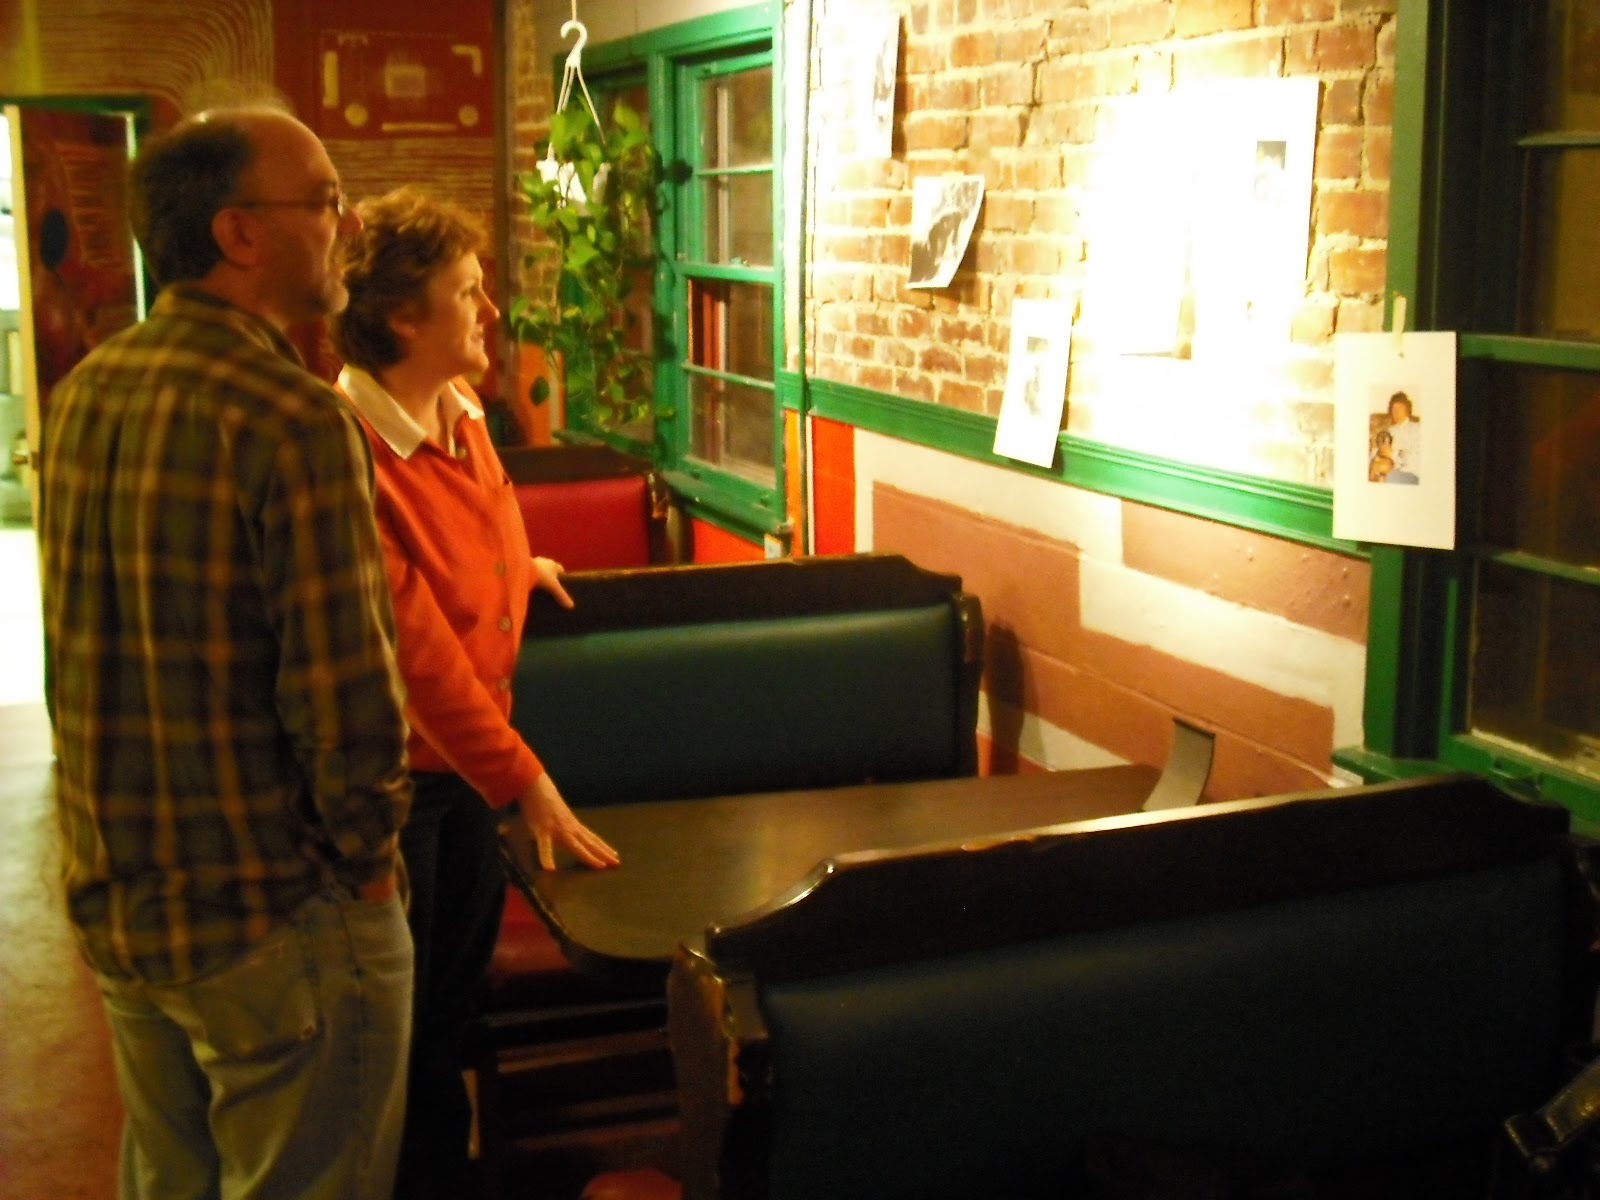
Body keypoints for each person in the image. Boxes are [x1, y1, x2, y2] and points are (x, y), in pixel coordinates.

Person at [37, 107, 414, 1199]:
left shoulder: (91, 387)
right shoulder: (292, 418)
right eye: (327, 200)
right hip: (270, 911)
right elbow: (344, 697)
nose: (348, 224)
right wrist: (369, 864)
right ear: (238, 233)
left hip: (123, 897)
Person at [331, 186, 620, 1197]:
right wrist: (525, 779)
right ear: (403, 318)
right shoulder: (348, 449)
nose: (490, 310)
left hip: (465, 777)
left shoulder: (461, 414)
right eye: (466, 291)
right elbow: (415, 661)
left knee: (450, 1004)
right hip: (403, 788)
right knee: (400, 1027)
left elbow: (481, 533)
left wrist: (516, 571)